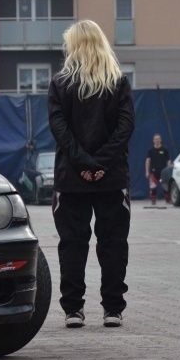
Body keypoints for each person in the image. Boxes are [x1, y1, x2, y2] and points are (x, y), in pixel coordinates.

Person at [47, 19, 135, 329]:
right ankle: (113, 309)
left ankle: (73, 310)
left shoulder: (59, 83)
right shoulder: (118, 81)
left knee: (72, 244)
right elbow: (126, 128)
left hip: (71, 179)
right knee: (113, 243)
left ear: (73, 46)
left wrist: (84, 163)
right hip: (112, 179)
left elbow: (59, 129)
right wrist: (101, 165)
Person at [145, 134, 171, 205]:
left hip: (163, 172)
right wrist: (147, 171)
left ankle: (168, 199)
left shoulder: (164, 149)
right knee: (153, 187)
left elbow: (168, 160)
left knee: (165, 185)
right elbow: (148, 161)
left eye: (158, 139)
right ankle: (153, 200)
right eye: (155, 139)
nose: (157, 140)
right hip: (154, 172)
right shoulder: (150, 150)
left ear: (160, 140)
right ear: (153, 140)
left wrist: (169, 170)